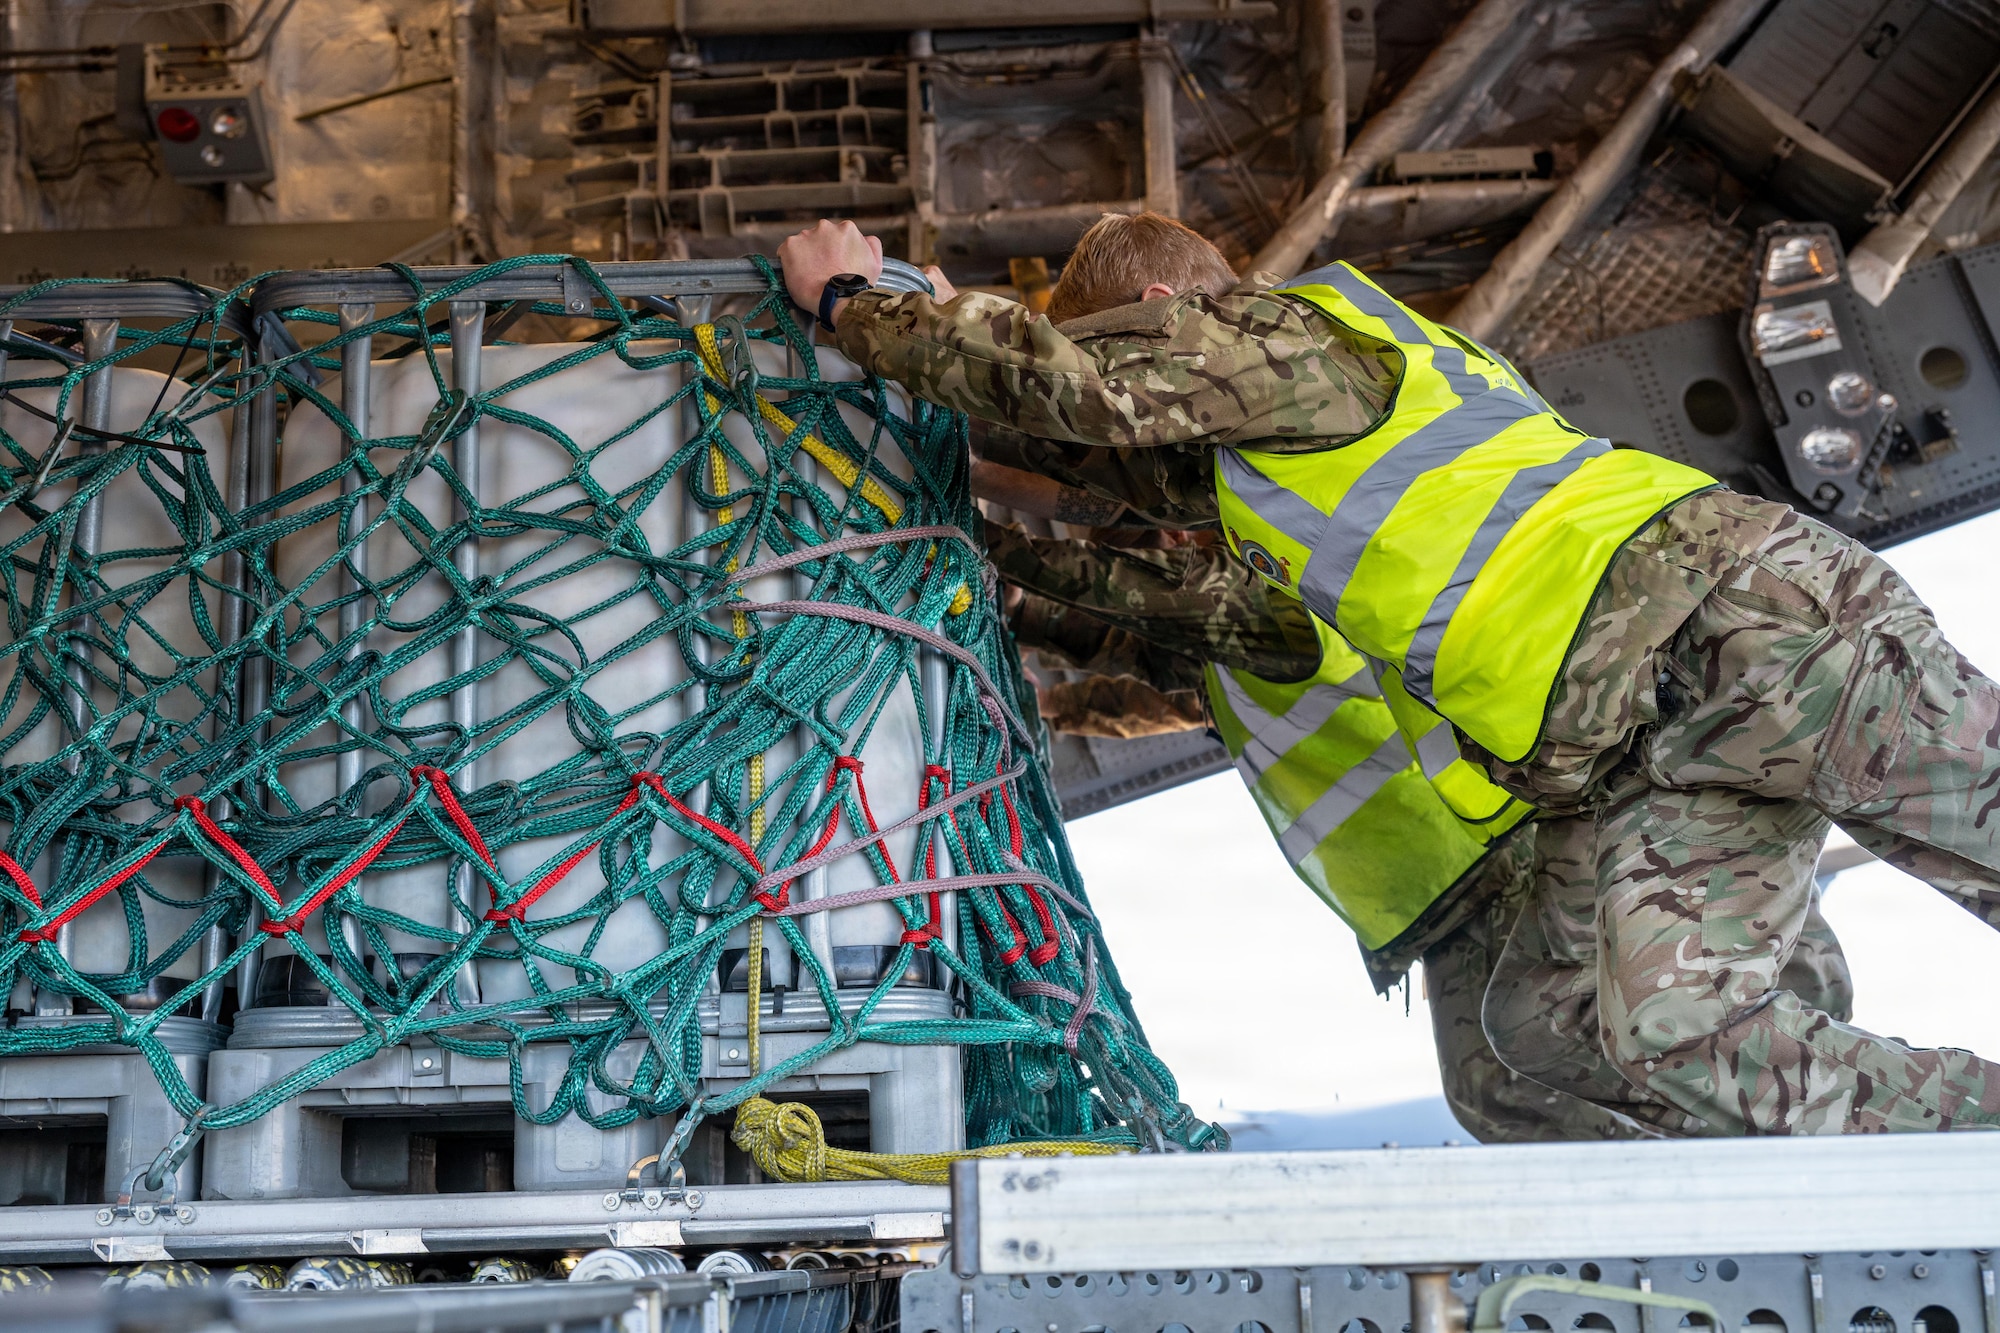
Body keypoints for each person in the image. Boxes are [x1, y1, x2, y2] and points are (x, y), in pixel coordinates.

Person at [778, 210, 2000, 1135]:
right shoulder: (1270, 464)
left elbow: (1080, 389)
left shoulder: (1295, 333)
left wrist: (851, 304)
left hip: (1745, 626)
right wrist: (953, 445)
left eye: (1128, 340)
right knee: (1604, 1026)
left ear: (1163, 305)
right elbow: (1096, 451)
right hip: (1643, 747)